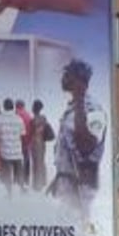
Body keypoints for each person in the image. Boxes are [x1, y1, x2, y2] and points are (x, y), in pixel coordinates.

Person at [50, 59, 108, 221]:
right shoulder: (73, 108)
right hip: (67, 186)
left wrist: (80, 98)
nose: (63, 78)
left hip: (81, 191)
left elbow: (86, 145)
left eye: (67, 75)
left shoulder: (92, 108)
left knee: (81, 233)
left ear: (77, 80)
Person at [0, 99, 25, 195]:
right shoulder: (19, 119)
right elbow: (23, 135)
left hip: (5, 151)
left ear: (4, 106)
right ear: (12, 106)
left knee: (7, 174)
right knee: (19, 171)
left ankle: (9, 193)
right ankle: (22, 190)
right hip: (17, 151)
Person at [28, 99, 53, 192]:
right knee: (41, 162)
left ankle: (36, 185)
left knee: (35, 164)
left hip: (35, 143)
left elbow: (30, 133)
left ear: (34, 108)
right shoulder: (44, 118)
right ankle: (43, 181)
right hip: (42, 143)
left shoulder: (33, 120)